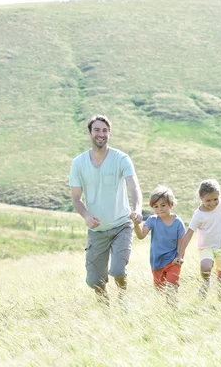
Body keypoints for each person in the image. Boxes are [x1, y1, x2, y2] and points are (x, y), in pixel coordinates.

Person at [69, 115, 143, 304]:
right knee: (95, 282)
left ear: (109, 133)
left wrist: (137, 208)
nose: (101, 134)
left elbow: (133, 186)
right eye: (97, 130)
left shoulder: (121, 159)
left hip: (121, 226)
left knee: (118, 271)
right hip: (97, 231)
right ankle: (106, 311)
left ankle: (123, 300)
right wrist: (86, 215)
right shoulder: (78, 163)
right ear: (90, 133)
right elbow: (76, 198)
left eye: (104, 130)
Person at [176, 179, 221, 301]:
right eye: (208, 200)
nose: (213, 203)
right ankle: (206, 283)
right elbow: (189, 233)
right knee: (205, 267)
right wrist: (180, 254)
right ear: (201, 198)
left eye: (215, 199)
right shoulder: (199, 215)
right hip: (206, 247)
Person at [133, 185, 185, 303]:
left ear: (171, 204)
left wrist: (180, 256)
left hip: (173, 261)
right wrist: (136, 225)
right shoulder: (152, 220)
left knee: (172, 286)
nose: (160, 209)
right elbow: (141, 235)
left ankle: (172, 307)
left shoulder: (178, 222)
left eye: (163, 205)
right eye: (156, 206)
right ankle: (163, 311)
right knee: (159, 289)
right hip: (157, 261)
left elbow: (182, 242)